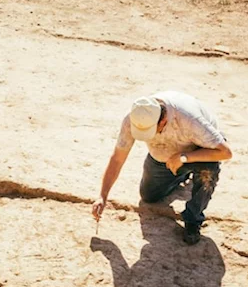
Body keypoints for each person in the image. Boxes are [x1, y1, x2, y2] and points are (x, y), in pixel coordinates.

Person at [92, 91, 233, 245]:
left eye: (152, 131)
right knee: (149, 196)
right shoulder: (135, 118)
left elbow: (225, 152)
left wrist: (183, 158)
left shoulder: (189, 119)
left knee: (208, 171)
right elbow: (118, 158)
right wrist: (102, 196)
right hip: (163, 157)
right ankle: (181, 174)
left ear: (163, 119)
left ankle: (193, 219)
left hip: (198, 152)